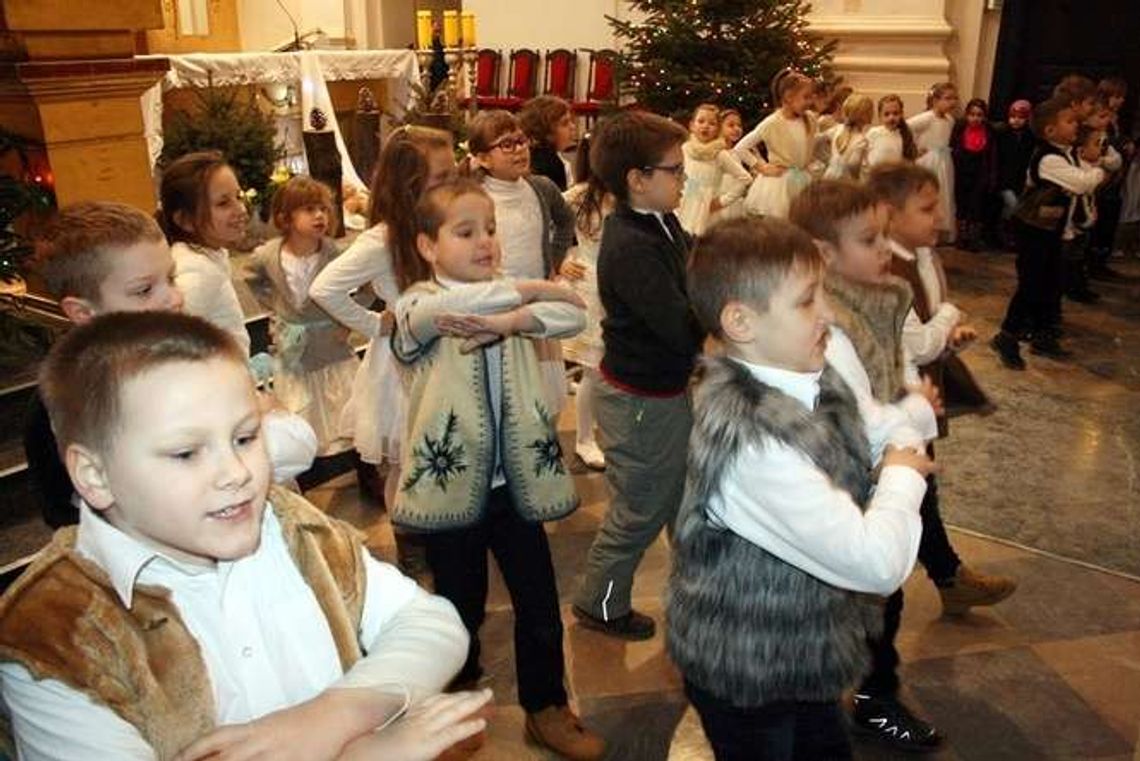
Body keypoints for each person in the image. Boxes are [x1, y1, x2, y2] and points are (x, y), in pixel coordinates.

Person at [0, 310, 485, 761]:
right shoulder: (51, 632)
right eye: (187, 453)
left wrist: (336, 716)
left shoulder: (289, 524)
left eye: (246, 438)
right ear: (94, 475)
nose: (236, 473)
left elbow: (430, 623)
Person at [667, 216, 934, 761]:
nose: (829, 315)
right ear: (741, 321)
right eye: (809, 301)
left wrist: (904, 432)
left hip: (807, 646)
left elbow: (876, 421)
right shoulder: (748, 442)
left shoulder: (803, 371)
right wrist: (903, 473)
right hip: (747, 669)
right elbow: (877, 561)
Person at [391, 179, 606, 761]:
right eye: (465, 232)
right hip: (452, 489)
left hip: (515, 486)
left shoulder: (507, 305)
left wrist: (515, 320)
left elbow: (572, 311)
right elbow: (440, 312)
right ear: (427, 247)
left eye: (489, 229)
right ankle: (455, 704)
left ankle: (546, 706)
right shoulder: (417, 305)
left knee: (539, 603)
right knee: (458, 607)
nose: (485, 241)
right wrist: (528, 290)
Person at [23, 202, 317, 530]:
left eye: (171, 277)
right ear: (83, 312)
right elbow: (65, 511)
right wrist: (265, 418)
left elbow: (298, 447)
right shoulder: (65, 403)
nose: (174, 297)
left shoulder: (193, 361)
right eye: (144, 290)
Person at [571, 111, 705, 642]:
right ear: (637, 179)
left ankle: (694, 593)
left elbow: (691, 254)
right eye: (675, 170)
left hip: (663, 390)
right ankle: (598, 602)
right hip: (640, 399)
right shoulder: (631, 246)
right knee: (641, 508)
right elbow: (679, 326)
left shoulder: (660, 222)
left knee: (681, 495)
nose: (683, 178)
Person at [309, 126, 456, 510]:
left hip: (447, 356)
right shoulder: (382, 240)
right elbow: (324, 288)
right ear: (410, 185)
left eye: (453, 174)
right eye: (441, 177)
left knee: (439, 455)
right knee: (407, 465)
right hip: (405, 367)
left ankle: (440, 525)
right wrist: (375, 324)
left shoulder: (439, 224)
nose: (451, 184)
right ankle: (408, 537)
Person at [465, 109, 576, 413]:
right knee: (503, 399)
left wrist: (552, 262)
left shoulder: (541, 188)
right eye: (506, 145)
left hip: (534, 302)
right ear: (482, 157)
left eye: (521, 141)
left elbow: (566, 220)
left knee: (542, 397)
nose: (519, 150)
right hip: (494, 305)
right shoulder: (472, 195)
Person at [243, 176, 359, 457]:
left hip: (329, 346)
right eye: (309, 210)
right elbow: (251, 276)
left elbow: (361, 287)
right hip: (294, 351)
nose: (319, 215)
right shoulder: (268, 255)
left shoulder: (334, 254)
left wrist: (347, 320)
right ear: (285, 218)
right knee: (299, 411)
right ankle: (305, 466)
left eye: (323, 209)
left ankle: (361, 467)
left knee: (345, 412)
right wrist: (275, 306)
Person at [990, 98, 1108, 369]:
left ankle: (1044, 335)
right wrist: (1098, 168)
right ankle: (1007, 336)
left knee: (1051, 283)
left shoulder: (1068, 152)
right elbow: (1081, 183)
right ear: (1050, 131)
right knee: (1030, 284)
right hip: (1034, 230)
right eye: (1069, 121)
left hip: (1053, 229)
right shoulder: (1049, 158)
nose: (1076, 124)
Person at [159, 150, 253, 354]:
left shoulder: (209, 257)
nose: (240, 209)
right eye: (223, 203)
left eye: (238, 196)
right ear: (185, 220)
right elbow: (167, 343)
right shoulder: (197, 272)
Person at [561, 134, 614, 471]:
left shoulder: (626, 193)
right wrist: (560, 259)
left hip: (621, 285)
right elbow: (550, 223)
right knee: (595, 369)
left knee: (610, 370)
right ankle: (584, 438)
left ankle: (609, 430)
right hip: (589, 285)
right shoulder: (579, 196)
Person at [736, 68, 820, 218]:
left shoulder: (811, 120)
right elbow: (741, 148)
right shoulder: (772, 123)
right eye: (805, 97)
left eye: (811, 97)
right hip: (781, 185)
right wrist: (761, 166)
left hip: (804, 180)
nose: (810, 102)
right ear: (788, 97)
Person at [677, 103, 752, 235]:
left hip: (706, 210)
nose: (705, 126)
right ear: (692, 125)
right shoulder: (685, 149)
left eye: (712, 123)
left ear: (718, 129)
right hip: (682, 204)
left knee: (702, 244)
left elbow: (745, 179)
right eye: (701, 121)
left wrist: (721, 202)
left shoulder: (719, 155)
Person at [908, 82, 959, 243]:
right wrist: (915, 150)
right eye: (947, 98)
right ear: (935, 100)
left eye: (954, 98)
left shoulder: (950, 120)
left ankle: (936, 230)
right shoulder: (927, 118)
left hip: (944, 161)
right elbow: (906, 128)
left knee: (943, 195)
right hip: (929, 162)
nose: (952, 102)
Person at [951, 98, 998, 251]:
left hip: (980, 174)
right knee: (961, 205)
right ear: (966, 115)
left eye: (979, 115)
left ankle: (973, 238)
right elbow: (952, 149)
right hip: (961, 173)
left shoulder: (989, 131)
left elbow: (992, 156)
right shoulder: (959, 127)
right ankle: (961, 236)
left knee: (976, 206)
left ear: (984, 116)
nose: (975, 118)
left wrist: (991, 177)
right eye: (972, 114)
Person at [993, 100, 1036, 248]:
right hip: (1003, 178)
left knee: (1016, 207)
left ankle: (1009, 233)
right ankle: (1002, 231)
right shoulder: (1001, 133)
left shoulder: (1030, 136)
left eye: (1021, 117)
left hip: (1020, 179)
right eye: (1013, 116)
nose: (1016, 120)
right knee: (1012, 205)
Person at [519, 94, 577, 191]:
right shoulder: (550, 164)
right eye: (565, 123)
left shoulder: (548, 155)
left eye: (571, 121)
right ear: (547, 132)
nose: (573, 127)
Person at [823, 93, 873, 181]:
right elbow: (854, 165)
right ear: (863, 115)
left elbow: (817, 141)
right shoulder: (861, 141)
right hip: (847, 184)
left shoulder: (836, 129)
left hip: (828, 178)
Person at [866, 94, 919, 170]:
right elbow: (865, 157)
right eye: (886, 114)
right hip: (875, 176)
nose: (891, 118)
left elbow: (909, 162)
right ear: (880, 116)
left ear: (901, 114)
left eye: (895, 113)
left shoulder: (904, 135)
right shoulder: (873, 133)